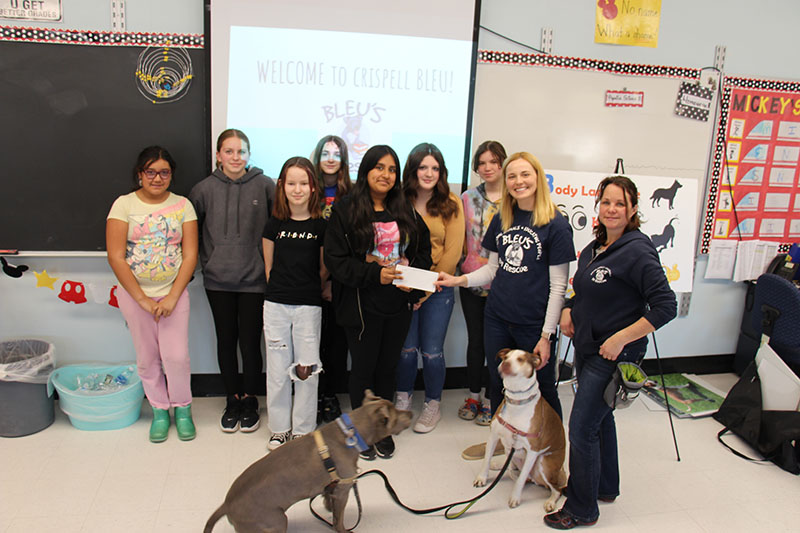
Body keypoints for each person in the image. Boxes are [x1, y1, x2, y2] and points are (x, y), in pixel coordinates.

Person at [544, 175, 677, 530]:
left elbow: (666, 306)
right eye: (606, 202)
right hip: (589, 347)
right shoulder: (593, 248)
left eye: (620, 203)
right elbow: (582, 291)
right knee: (603, 420)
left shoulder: (638, 251)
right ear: (598, 207)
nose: (612, 209)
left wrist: (621, 339)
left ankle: (582, 508)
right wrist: (569, 309)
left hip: (616, 355)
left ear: (633, 208)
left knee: (583, 427)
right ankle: (605, 487)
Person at [436, 152, 575, 423]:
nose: (518, 181)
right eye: (512, 176)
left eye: (525, 174)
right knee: (498, 383)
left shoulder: (556, 224)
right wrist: (458, 281)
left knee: (543, 388)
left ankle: (551, 455)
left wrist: (546, 336)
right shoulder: (503, 217)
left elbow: (559, 287)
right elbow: (491, 269)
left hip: (533, 325)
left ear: (538, 177)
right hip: (497, 318)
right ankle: (504, 442)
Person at [324, 145, 432, 460]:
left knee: (388, 369)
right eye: (379, 167)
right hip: (361, 305)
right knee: (363, 370)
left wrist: (411, 280)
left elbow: (424, 252)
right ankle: (361, 431)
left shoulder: (406, 209)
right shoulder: (346, 210)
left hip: (397, 305)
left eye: (391, 169)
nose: (385, 175)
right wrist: (374, 273)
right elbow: (336, 260)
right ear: (366, 170)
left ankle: (381, 429)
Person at [106, 146, 198, 443]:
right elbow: (116, 256)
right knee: (147, 358)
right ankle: (159, 410)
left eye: (164, 172)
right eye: (151, 172)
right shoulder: (123, 205)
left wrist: (172, 296)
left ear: (171, 175)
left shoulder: (183, 205)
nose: (157, 178)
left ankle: (182, 409)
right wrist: (142, 300)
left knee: (176, 357)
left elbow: (190, 254)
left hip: (173, 294)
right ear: (140, 174)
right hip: (135, 296)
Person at [189, 129, 275, 433]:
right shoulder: (202, 190)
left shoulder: (266, 186)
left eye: (241, 151)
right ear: (218, 155)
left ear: (249, 155)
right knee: (226, 341)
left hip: (255, 281)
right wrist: (205, 263)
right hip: (217, 281)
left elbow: (276, 231)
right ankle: (232, 398)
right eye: (229, 151)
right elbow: (191, 234)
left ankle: (250, 398)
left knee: (251, 343)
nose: (235, 157)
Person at [395, 143, 464, 433]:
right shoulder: (398, 200)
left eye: (435, 168)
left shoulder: (451, 203)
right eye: (423, 167)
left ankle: (433, 404)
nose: (429, 173)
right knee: (406, 349)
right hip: (403, 287)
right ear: (413, 169)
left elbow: (452, 252)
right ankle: (402, 401)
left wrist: (424, 291)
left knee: (432, 351)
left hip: (438, 288)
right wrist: (410, 287)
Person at [262, 157, 327, 450]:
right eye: (291, 183)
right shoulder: (274, 223)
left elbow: (324, 269)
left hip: (308, 307)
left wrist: (309, 288)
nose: (297, 189)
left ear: (313, 187)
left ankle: (303, 429)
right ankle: (279, 429)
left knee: (306, 370)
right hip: (276, 305)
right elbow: (269, 266)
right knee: (277, 371)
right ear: (281, 186)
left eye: (304, 183)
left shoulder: (322, 226)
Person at [456, 140, 506, 427]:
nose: (488, 167)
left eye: (494, 161)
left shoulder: (514, 198)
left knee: (495, 344)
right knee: (475, 340)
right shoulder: (467, 197)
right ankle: (473, 396)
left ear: (503, 163)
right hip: (471, 280)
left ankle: (492, 400)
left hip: (504, 284)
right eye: (482, 162)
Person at [312, 135, 351, 424]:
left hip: (341, 282)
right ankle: (312, 394)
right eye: (325, 153)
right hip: (309, 278)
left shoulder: (352, 192)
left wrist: (332, 281)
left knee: (337, 343)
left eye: (336, 154)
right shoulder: (307, 189)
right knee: (311, 341)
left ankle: (330, 396)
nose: (329, 158)